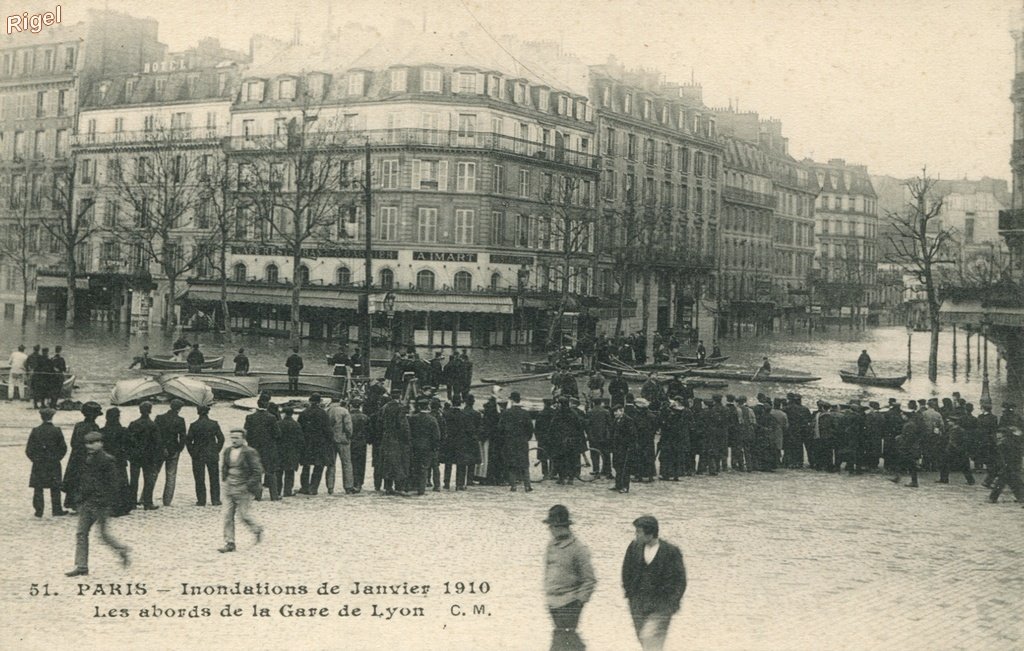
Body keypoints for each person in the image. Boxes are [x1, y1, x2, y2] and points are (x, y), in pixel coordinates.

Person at [65, 431, 131, 577]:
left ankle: (122, 549)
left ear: (100, 443)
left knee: (103, 535)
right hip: (87, 502)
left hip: (100, 504)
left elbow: (114, 485)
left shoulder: (108, 460)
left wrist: (104, 500)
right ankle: (82, 566)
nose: (90, 446)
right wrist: (80, 498)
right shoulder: (86, 459)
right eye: (88, 443)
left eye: (93, 443)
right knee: (81, 533)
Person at [621, 515, 687, 651]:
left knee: (650, 637)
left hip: (661, 605)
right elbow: (626, 571)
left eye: (638, 532)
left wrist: (672, 603)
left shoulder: (671, 551)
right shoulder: (634, 547)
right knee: (644, 640)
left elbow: (680, 581)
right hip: (638, 604)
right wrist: (630, 595)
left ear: (650, 533)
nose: (636, 535)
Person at [543, 504, 597, 651]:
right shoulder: (551, 546)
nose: (550, 530)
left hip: (570, 603)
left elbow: (590, 579)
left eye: (552, 526)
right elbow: (548, 571)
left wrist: (579, 602)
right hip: (553, 602)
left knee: (562, 640)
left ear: (560, 527)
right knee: (566, 640)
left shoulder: (578, 549)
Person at [218, 429, 264, 553]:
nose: (234, 440)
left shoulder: (249, 452)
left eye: (237, 438)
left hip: (243, 487)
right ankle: (229, 542)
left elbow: (257, 471)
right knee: (227, 515)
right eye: (232, 437)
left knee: (244, 515)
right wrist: (225, 479)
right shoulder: (227, 451)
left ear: (243, 439)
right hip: (229, 486)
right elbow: (225, 466)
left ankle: (257, 529)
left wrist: (248, 486)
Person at [26, 408, 68, 518]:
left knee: (38, 488)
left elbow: (29, 449)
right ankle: (57, 509)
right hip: (53, 463)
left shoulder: (35, 430)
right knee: (55, 487)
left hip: (39, 464)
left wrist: (35, 459)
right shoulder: (57, 430)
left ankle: (39, 511)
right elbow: (63, 448)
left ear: (41, 417)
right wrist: (57, 458)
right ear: (52, 417)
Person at [62, 401, 103, 511]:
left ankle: (73, 502)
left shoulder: (78, 425)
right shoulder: (94, 427)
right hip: (87, 458)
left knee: (75, 480)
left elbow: (72, 442)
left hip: (76, 457)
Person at [244, 394, 282, 500]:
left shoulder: (250, 417)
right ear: (266, 405)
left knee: (256, 472)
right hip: (269, 449)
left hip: (254, 448)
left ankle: (258, 495)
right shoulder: (272, 418)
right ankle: (274, 496)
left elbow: (246, 433)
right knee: (271, 472)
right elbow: (277, 434)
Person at [186, 404, 225, 506]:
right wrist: (217, 450)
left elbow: (188, 441)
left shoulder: (194, 425)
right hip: (212, 453)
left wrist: (192, 452)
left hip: (198, 454)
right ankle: (215, 499)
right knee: (214, 478)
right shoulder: (214, 424)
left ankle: (201, 500)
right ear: (208, 412)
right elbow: (221, 439)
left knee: (199, 478)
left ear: (198, 412)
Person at [100, 407, 134, 516]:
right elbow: (130, 444)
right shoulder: (123, 430)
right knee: (121, 483)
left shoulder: (102, 431)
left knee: (106, 483)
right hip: (119, 460)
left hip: (106, 461)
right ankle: (121, 507)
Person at [128, 401, 162, 510]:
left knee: (134, 480)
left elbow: (128, 440)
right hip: (148, 457)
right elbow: (157, 442)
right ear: (150, 411)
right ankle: (148, 502)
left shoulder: (133, 424)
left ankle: (132, 502)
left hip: (135, 456)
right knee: (148, 480)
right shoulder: (153, 425)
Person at [154, 399, 187, 506]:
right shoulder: (180, 420)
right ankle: (167, 500)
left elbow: (155, 434)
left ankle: (145, 496)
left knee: (153, 473)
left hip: (159, 449)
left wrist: (161, 447)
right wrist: (179, 449)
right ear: (179, 409)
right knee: (171, 475)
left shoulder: (159, 418)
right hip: (173, 450)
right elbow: (183, 437)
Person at [298, 394, 331, 496]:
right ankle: (313, 488)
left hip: (307, 442)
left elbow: (300, 429)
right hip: (320, 443)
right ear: (320, 402)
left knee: (306, 466)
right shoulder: (323, 414)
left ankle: (304, 487)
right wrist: (329, 441)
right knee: (319, 465)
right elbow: (327, 430)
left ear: (310, 401)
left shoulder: (304, 413)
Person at [500, 391, 534, 492]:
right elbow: (530, 429)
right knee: (524, 463)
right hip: (522, 441)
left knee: (511, 463)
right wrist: (526, 438)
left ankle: (513, 485)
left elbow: (500, 428)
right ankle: (527, 485)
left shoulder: (507, 413)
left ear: (511, 400)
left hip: (510, 441)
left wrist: (505, 438)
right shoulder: (525, 413)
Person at [408, 397, 440, 495]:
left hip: (414, 446)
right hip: (427, 447)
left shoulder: (413, 418)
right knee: (424, 468)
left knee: (415, 466)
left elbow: (409, 432)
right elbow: (436, 436)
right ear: (428, 406)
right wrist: (435, 447)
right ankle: (421, 489)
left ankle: (414, 486)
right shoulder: (432, 419)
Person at [326, 398, 355, 494]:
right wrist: (349, 436)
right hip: (343, 440)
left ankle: (330, 487)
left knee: (331, 464)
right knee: (346, 463)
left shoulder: (328, 411)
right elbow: (348, 427)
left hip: (330, 440)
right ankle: (348, 486)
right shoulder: (344, 411)